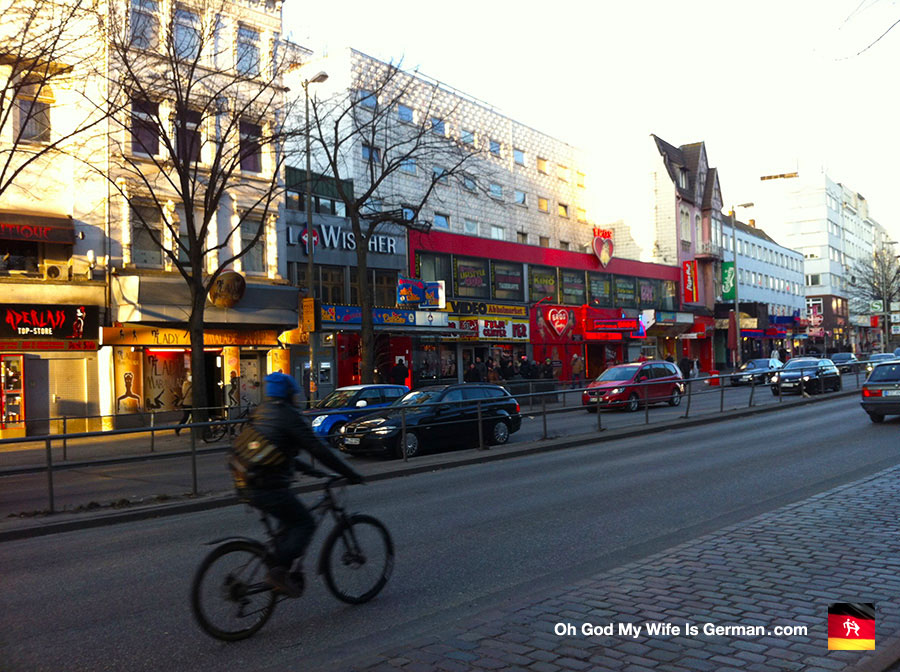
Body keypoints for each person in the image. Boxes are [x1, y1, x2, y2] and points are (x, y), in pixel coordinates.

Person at [237, 372, 363, 597]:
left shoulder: (262, 411)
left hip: (245, 479)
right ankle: (278, 573)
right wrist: (349, 473)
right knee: (304, 524)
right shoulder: (289, 416)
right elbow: (318, 449)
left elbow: (279, 453)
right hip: (267, 485)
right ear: (288, 394)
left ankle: (277, 564)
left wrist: (313, 471)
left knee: (287, 527)